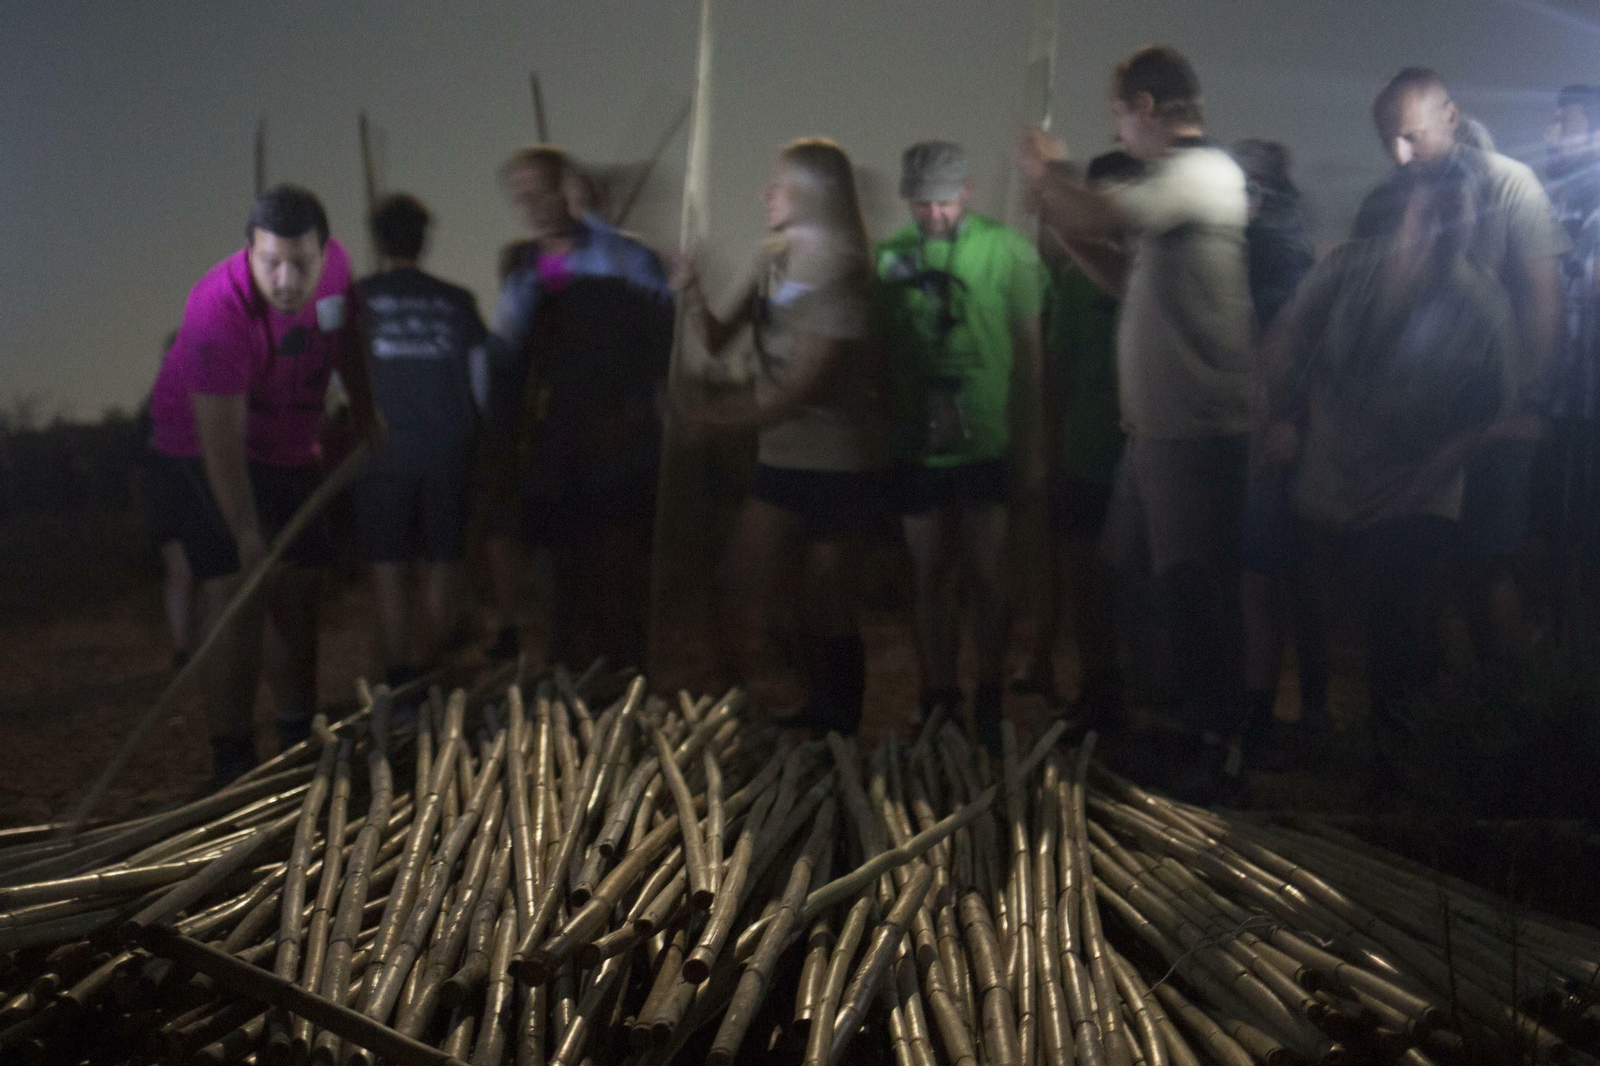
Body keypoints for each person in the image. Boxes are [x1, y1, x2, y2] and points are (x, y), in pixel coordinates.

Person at [1019, 45, 1255, 799]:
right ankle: (1164, 723)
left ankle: (1215, 742)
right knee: (1134, 579)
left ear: (1147, 107)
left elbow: (1094, 211)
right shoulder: (1177, 191)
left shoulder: (1200, 174)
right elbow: (1126, 278)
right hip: (1154, 431)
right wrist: (1062, 226)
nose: (1116, 129)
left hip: (1194, 428)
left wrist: (1047, 174)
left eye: (1118, 112)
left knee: (1193, 589)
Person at [1261, 158, 1517, 797]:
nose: (1445, 230)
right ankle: (1317, 723)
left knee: (1399, 620)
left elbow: (1489, 410)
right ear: (1406, 215)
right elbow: (1292, 338)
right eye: (1432, 214)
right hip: (1330, 477)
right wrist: (1278, 416)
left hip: (1418, 490)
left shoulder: (1482, 303)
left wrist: (1425, 478)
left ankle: (1395, 759)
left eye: (1459, 217)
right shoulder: (1349, 269)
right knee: (1315, 606)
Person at [145, 186, 380, 785]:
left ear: (324, 252)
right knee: (237, 584)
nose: (287, 279)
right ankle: (232, 755)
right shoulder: (216, 311)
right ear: (248, 251)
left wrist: (363, 409)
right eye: (271, 262)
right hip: (199, 445)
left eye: (301, 262)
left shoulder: (338, 271)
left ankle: (298, 730)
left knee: (298, 583)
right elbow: (220, 440)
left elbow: (345, 337)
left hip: (289, 443)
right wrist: (247, 533)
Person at [673, 137, 891, 736]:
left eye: (780, 184)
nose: (765, 193)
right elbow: (718, 339)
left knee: (830, 604)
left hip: (839, 465)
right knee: (751, 585)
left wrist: (713, 420)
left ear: (815, 194)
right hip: (781, 460)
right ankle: (792, 703)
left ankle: (837, 725)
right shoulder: (771, 259)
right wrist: (692, 290)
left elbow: (804, 387)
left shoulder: (843, 273)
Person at [1353, 69, 1569, 665]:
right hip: (1411, 423)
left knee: (1484, 567)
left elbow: (1543, 302)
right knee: (1420, 578)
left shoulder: (1510, 185)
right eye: (1388, 141)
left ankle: (1504, 712)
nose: (1399, 154)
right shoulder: (1383, 202)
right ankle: (1445, 713)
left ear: (1449, 116)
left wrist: (1519, 406)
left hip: (1490, 418)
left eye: (1411, 136)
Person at [875, 140, 1046, 751]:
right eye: (922, 203)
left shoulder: (1007, 251)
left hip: (987, 443)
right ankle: (939, 695)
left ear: (966, 192)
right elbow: (877, 348)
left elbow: (1031, 351)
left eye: (944, 201)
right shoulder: (890, 258)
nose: (934, 214)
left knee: (989, 573)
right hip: (916, 444)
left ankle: (990, 693)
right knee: (930, 574)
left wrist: (1032, 440)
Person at [486, 145, 674, 672]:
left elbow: (665, 345)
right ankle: (568, 688)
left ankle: (627, 685)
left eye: (542, 192)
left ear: (566, 188)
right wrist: (502, 445)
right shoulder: (523, 271)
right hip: (553, 449)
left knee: (619, 579)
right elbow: (505, 362)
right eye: (522, 197)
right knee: (561, 586)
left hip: (623, 445)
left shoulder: (626, 258)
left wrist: (633, 413)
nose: (534, 206)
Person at [1017, 150, 1141, 731]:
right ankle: (1100, 691)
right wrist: (1047, 450)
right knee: (1085, 580)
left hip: (1148, 452)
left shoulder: (1159, 276)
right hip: (1086, 453)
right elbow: (1056, 374)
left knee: (1144, 583)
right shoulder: (1069, 282)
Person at [354, 194, 489, 688]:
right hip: (448, 447)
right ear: (423, 239)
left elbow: (333, 377)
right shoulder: (457, 301)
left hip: (380, 451)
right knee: (443, 557)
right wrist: (483, 431)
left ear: (378, 240)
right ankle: (429, 667)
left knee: (388, 560)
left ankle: (398, 670)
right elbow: (481, 377)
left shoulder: (355, 300)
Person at [1231, 139, 1327, 769]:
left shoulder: (1277, 255)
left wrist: (1289, 422)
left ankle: (1267, 719)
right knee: (1284, 580)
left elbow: (1298, 350)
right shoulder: (1280, 250)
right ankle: (1294, 712)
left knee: (1267, 580)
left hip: (1274, 437)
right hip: (1273, 433)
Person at [137, 333, 197, 672]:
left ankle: (184, 647)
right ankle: (186, 648)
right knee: (190, 573)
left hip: (170, 496)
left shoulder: (152, 404)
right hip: (182, 495)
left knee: (183, 573)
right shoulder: (193, 398)